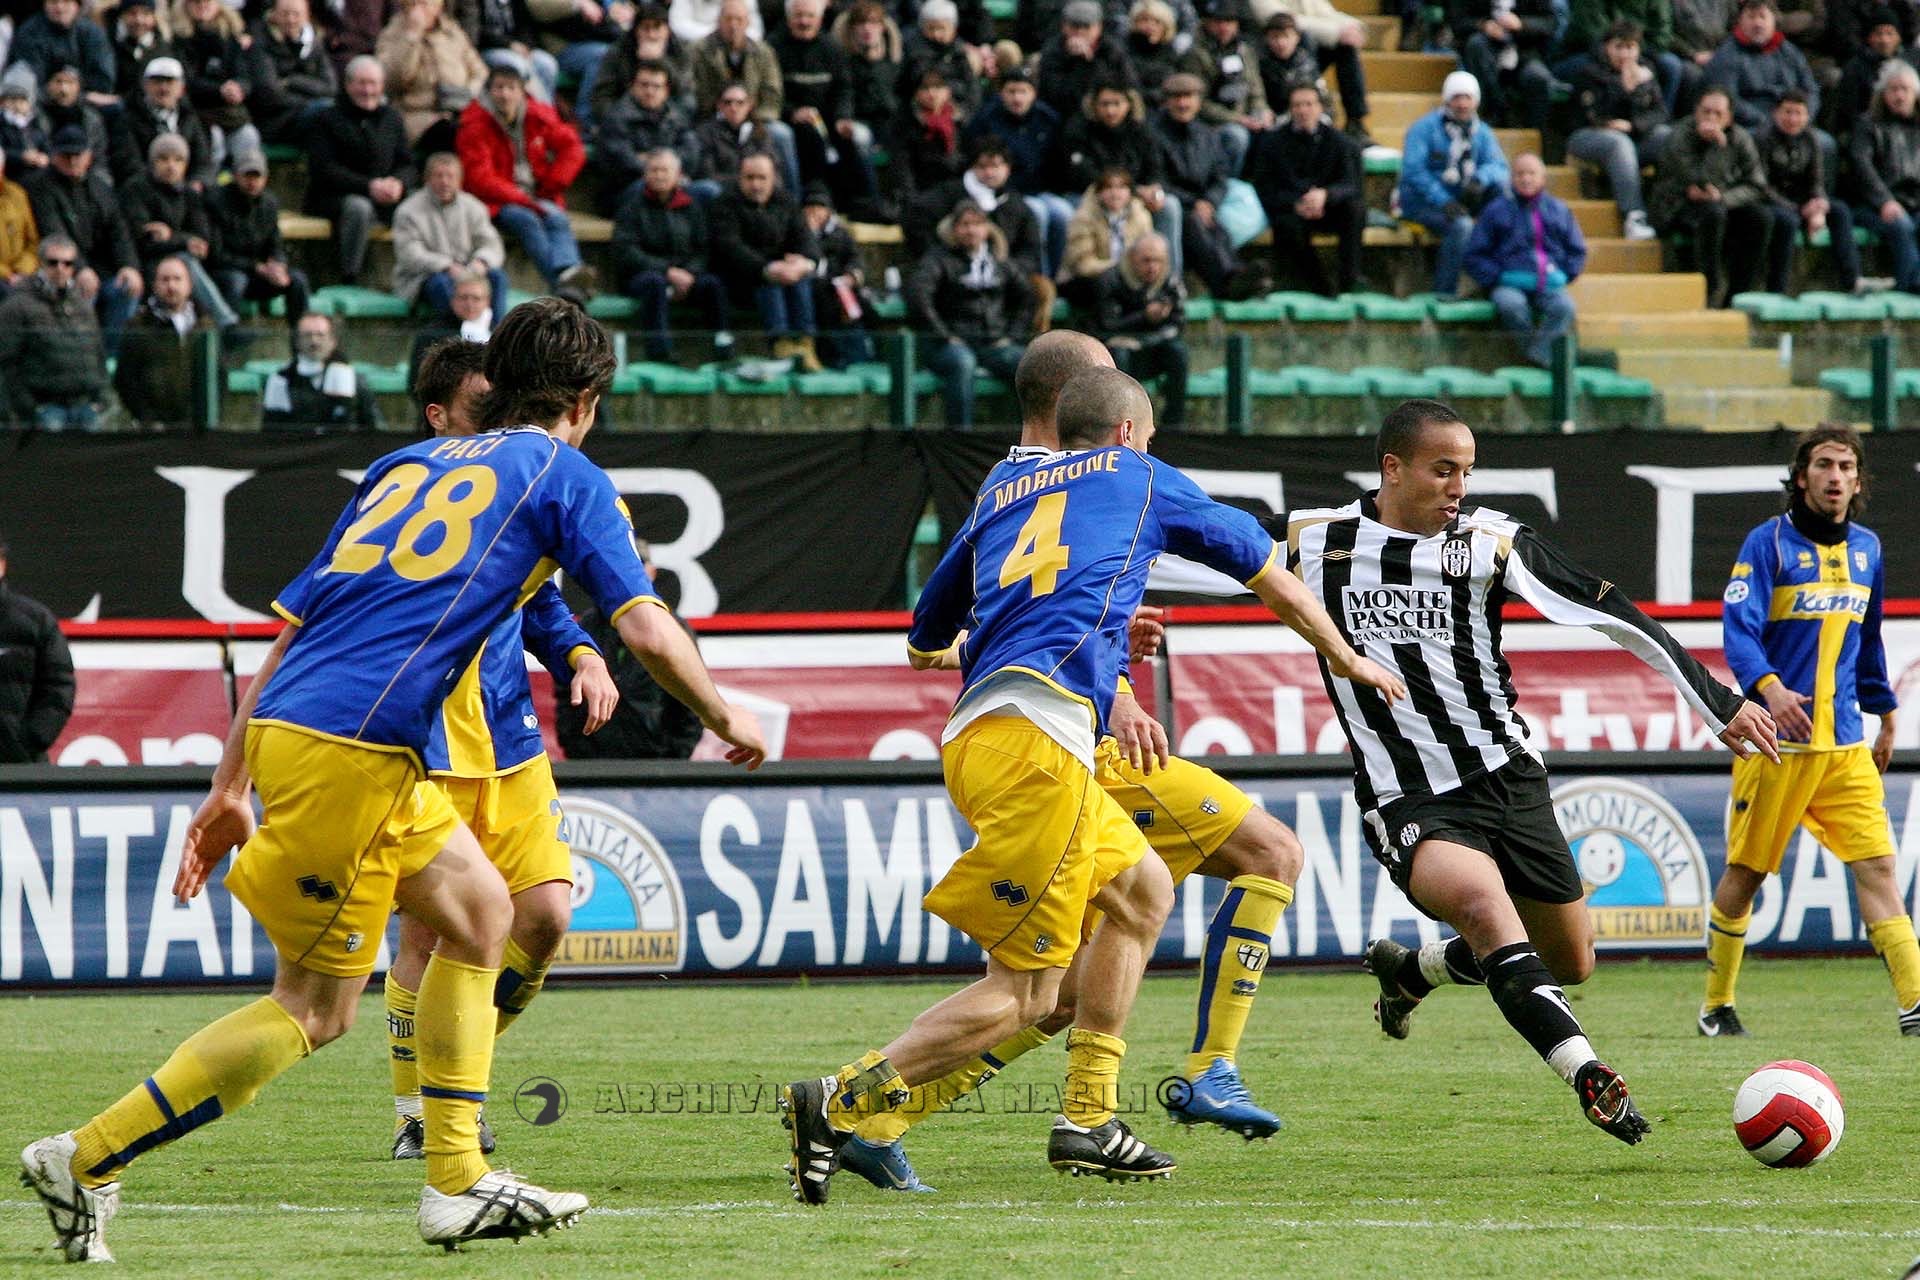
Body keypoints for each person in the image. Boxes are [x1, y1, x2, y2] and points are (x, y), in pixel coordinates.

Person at [20, 298, 764, 1262]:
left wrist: (230, 782)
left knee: (485, 914)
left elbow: (291, 635)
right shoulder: (563, 471)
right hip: (353, 750)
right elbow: (648, 628)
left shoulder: (404, 468)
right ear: (585, 401)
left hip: (318, 735)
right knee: (314, 1009)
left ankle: (455, 1178)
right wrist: (724, 716)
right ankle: (84, 1158)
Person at [781, 361, 1402, 1205]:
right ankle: (843, 1102)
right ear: (1126, 432)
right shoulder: (1137, 474)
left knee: (1143, 891)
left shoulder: (1001, 493)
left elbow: (927, 636)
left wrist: (1082, 639)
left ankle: (1089, 1116)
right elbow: (1270, 574)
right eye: (1146, 435)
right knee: (1027, 995)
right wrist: (1348, 656)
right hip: (1039, 744)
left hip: (996, 734)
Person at [1284, 400, 1776, 1145]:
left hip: (1507, 776)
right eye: (1443, 469)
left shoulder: (1491, 543)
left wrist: (1717, 701)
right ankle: (1589, 1074)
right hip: (1409, 794)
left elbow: (1612, 613)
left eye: (1466, 471)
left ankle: (1413, 972)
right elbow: (1185, 548)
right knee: (1485, 910)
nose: (1458, 486)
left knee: (1570, 959)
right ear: (1392, 468)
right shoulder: (1313, 541)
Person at [382, 333, 621, 1164]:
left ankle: (455, 1067)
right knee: (430, 940)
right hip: (424, 748)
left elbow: (539, 600)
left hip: (510, 742)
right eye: (479, 407)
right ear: (438, 414)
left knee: (547, 917)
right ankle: (423, 1112)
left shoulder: (516, 491)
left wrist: (583, 654)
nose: (497, 421)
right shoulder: (408, 491)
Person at [1703, 426, 1915, 1038]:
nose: (1835, 476)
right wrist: (1769, 689)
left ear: (1858, 479)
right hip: (1777, 744)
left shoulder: (1868, 549)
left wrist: (1886, 713)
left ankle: (1915, 1005)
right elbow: (1739, 630)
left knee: (1878, 868)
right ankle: (1716, 1006)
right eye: (1824, 465)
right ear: (1801, 477)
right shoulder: (1767, 543)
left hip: (1844, 746)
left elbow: (1867, 641)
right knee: (1746, 875)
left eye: (1846, 466)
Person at [456, 62, 595, 299]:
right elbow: (480, 179)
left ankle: (568, 271)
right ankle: (566, 286)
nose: (505, 94)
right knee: (526, 220)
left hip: (535, 195)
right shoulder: (474, 124)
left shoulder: (538, 116)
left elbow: (572, 147)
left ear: (522, 91)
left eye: (511, 88)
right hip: (495, 201)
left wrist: (552, 184)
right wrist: (521, 198)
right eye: (499, 88)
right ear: (489, 91)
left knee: (557, 217)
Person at [556, 538, 705, 759]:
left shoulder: (673, 629)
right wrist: (577, 748)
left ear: (651, 572)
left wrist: (673, 758)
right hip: (593, 765)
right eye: (619, 567)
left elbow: (692, 696)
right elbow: (566, 691)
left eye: (635, 567)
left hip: (656, 763)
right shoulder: (586, 627)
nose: (626, 576)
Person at [1650, 86, 1774, 306]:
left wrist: (1724, 197)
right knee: (1712, 214)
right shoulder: (1680, 135)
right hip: (1678, 204)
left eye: (1718, 114)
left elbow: (1757, 184)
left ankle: (1737, 293)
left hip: (1720, 201)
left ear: (1729, 117)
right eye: (1706, 111)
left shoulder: (1740, 137)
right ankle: (1709, 287)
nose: (1711, 118)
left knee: (1761, 218)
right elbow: (1697, 180)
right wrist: (1717, 147)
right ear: (1696, 111)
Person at [909, 198, 1029, 427]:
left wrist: (1012, 335)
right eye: (964, 224)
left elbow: (1027, 297)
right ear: (954, 229)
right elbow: (918, 297)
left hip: (993, 342)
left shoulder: (999, 260)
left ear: (987, 229)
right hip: (949, 343)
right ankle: (961, 435)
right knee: (963, 362)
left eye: (977, 224)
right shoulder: (938, 259)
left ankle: (1027, 436)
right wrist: (944, 335)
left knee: (1028, 363)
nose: (971, 230)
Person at [22, 126, 143, 348]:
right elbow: (54, 232)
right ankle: (79, 353)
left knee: (127, 288)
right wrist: (79, 268)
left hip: (101, 268)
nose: (72, 161)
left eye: (77, 155)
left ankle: (111, 357)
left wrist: (129, 266)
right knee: (81, 291)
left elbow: (119, 233)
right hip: (61, 267)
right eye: (66, 155)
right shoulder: (40, 187)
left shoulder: (100, 188)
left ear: (88, 156)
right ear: (54, 156)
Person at [1464, 152, 1585, 367]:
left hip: (1548, 283)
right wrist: (1498, 276)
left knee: (1564, 307)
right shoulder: (1495, 210)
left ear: (1543, 178)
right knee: (1511, 305)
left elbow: (1576, 251)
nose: (1526, 179)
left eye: (1531, 173)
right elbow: (1474, 255)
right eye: (1520, 174)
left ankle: (1535, 356)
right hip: (1508, 283)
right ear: (1511, 178)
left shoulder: (1559, 210)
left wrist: (1565, 275)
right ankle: (1536, 357)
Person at [1396, 71, 1508, 299]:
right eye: (1456, 97)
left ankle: (1498, 280)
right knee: (1462, 226)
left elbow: (1499, 166)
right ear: (1447, 99)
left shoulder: (1482, 132)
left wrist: (1479, 179)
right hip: (1424, 203)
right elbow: (1413, 171)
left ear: (1476, 101)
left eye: (1468, 97)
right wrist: (1443, 200)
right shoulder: (1424, 128)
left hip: (1462, 198)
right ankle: (1444, 293)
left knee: (1502, 198)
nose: (1462, 104)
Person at [305, 56, 416, 286]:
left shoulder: (392, 118)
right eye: (361, 83)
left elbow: (407, 164)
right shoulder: (326, 119)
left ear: (382, 86)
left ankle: (415, 276)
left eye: (373, 83)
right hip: (334, 197)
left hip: (385, 197)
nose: (367, 90)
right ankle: (350, 277)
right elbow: (323, 169)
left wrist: (398, 183)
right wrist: (368, 186)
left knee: (419, 204)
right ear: (348, 85)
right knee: (359, 207)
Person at [1152, 70, 1263, 298]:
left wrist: (1209, 201)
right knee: (1195, 224)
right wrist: (1194, 203)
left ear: (1198, 101)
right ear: (1167, 101)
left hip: (1203, 203)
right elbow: (1156, 178)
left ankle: (1237, 273)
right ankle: (1225, 283)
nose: (1183, 104)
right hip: (1174, 206)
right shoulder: (1154, 134)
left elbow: (1220, 176)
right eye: (1177, 97)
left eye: (1188, 97)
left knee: (1217, 230)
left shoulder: (1207, 134)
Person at [1245, 80, 1363, 295]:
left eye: (1309, 104)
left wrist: (1326, 195)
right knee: (1286, 225)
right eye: (1297, 105)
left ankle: (1350, 279)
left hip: (1328, 207)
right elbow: (1265, 188)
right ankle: (1319, 284)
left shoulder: (1339, 142)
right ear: (1290, 109)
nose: (1303, 110)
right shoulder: (1273, 143)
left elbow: (1351, 184)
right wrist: (1296, 203)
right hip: (1292, 209)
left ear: (1320, 107)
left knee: (1354, 210)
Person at [616, 147, 731, 361]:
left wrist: (689, 274)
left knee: (713, 285)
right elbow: (627, 251)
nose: (659, 175)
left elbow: (702, 248)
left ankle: (722, 345)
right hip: (644, 275)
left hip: (687, 275)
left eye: (665, 170)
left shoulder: (692, 206)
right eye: (654, 170)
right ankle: (660, 350)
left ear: (678, 175)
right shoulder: (632, 207)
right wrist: (668, 272)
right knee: (654, 283)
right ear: (645, 174)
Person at [1057, 80, 1182, 276]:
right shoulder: (1078, 130)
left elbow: (1156, 168)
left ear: (1129, 104)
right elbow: (1081, 174)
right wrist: (1130, 190)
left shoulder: (1141, 131)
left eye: (1116, 103)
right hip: (1089, 196)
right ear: (1094, 105)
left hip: (1134, 197)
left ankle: (1170, 278)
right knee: (1065, 212)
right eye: (1105, 104)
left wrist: (1154, 190)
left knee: (1169, 206)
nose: (1110, 110)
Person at [118, 130, 239, 331]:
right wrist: (183, 241)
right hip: (146, 263)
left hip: (183, 263)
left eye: (178, 160)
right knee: (185, 262)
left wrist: (171, 237)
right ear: (153, 161)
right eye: (163, 159)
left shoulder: (190, 194)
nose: (171, 165)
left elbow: (202, 239)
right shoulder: (136, 190)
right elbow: (142, 239)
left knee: (190, 265)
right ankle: (226, 322)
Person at [709, 149, 820, 368]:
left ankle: (805, 343)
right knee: (770, 281)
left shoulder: (787, 201)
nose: (756, 184)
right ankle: (780, 343)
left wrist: (804, 263)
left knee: (801, 278)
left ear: (773, 178)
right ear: (740, 177)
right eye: (750, 178)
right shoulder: (724, 204)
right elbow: (730, 248)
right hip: (741, 278)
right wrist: (766, 268)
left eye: (762, 178)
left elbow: (806, 240)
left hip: (784, 274)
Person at [1705, 0, 1834, 178]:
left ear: (1773, 20)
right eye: (1751, 17)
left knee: (1826, 144)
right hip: (1753, 123)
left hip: (1793, 120)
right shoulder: (1728, 55)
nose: (1757, 23)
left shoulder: (1789, 52)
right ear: (1740, 21)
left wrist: (1803, 116)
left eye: (1762, 16)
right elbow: (1728, 99)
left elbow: (1810, 89)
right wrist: (1769, 121)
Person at [768, 0, 874, 214]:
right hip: (790, 118)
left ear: (820, 19)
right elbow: (769, 92)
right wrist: (792, 112)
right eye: (799, 16)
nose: (804, 21)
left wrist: (843, 117)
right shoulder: (773, 47)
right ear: (788, 18)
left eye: (810, 16)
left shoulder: (832, 48)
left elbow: (844, 89)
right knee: (803, 135)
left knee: (856, 136)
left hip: (828, 117)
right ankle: (807, 199)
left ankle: (864, 201)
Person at [1567, 20, 1667, 240]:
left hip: (1632, 136)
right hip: (1587, 136)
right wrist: (1624, 89)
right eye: (1619, 47)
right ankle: (1634, 216)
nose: (1625, 54)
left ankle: (1667, 212)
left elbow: (1660, 113)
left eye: (1630, 47)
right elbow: (1593, 116)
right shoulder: (1589, 71)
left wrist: (1634, 124)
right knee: (1619, 142)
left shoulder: (1646, 72)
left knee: (1667, 137)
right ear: (1607, 47)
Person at [964, 67, 1066, 273]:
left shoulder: (1047, 118)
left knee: (1063, 212)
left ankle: (1058, 274)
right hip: (1008, 193)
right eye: (1011, 91)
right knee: (1038, 214)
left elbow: (1057, 158)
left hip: (1041, 189)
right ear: (1001, 93)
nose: (1017, 98)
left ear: (1033, 93)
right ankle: (1040, 277)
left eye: (1023, 91)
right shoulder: (987, 119)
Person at [0, 233, 106, 429]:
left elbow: (98, 353)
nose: (60, 268)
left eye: (67, 263)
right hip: (45, 407)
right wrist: (29, 407)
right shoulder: (17, 305)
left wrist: (99, 400)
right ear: (41, 263)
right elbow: (6, 362)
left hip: (85, 406)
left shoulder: (83, 305)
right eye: (53, 262)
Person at [391, 150, 508, 321]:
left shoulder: (474, 207)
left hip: (469, 271)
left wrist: (481, 261)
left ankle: (496, 333)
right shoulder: (408, 210)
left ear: (459, 180)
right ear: (427, 179)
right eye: (438, 176)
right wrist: (446, 266)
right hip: (424, 276)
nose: (444, 181)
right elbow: (410, 254)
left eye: (450, 176)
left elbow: (492, 244)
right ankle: (458, 334)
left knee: (497, 277)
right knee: (441, 284)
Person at [1761, 90, 1853, 292]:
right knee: (1788, 222)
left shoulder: (1811, 138)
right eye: (1788, 112)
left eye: (1798, 113)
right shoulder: (1763, 139)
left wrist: (1819, 204)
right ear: (1776, 113)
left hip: (1802, 201)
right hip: (1773, 202)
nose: (1793, 119)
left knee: (1840, 211)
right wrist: (1800, 210)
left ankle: (1851, 281)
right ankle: (1777, 289)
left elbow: (1817, 180)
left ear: (1807, 116)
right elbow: (1762, 186)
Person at [1093, 234, 1187, 424]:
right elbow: (1107, 324)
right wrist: (1144, 316)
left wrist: (1154, 330)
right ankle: (1122, 419)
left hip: (1153, 349)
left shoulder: (1170, 283)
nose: (1152, 267)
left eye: (1158, 261)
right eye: (1146, 260)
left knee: (1178, 352)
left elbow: (1178, 324)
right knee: (1120, 353)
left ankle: (1174, 421)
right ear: (1132, 258)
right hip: (1119, 351)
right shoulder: (1111, 280)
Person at [0, 533, 74, 764]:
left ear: (2, 565)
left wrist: (28, 742)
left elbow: (58, 686)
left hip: (20, 766)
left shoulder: (35, 620)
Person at [1849, 60, 1920, 295]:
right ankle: (1910, 287)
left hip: (1913, 201)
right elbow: (1862, 166)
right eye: (1893, 89)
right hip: (1872, 205)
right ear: (1883, 94)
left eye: (1905, 89)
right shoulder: (1867, 125)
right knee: (1901, 226)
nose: (1899, 96)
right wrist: (1884, 201)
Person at [112, 252, 204, 429]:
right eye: (165, 279)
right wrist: (146, 418)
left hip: (195, 426)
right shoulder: (138, 326)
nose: (171, 286)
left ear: (189, 285)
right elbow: (125, 379)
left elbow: (217, 375)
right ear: (154, 285)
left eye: (177, 279)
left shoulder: (206, 324)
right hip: (152, 427)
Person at [376, 0, 488, 143]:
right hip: (417, 115)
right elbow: (392, 79)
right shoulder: (392, 34)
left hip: (458, 108)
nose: (417, 11)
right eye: (412, 4)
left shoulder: (452, 31)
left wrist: (468, 93)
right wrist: (412, 37)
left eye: (424, 4)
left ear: (438, 7)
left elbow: (479, 71)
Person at [1256, 0, 1370, 141]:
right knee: (1307, 36)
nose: (1281, 42)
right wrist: (1337, 32)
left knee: (1347, 48)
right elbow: (1278, 17)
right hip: (1267, 58)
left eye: (1285, 38)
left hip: (1303, 52)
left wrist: (1354, 27)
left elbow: (1327, 14)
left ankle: (1355, 122)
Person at [1178, 0, 1269, 176]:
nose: (1223, 27)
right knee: (1237, 137)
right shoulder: (1195, 54)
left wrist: (1261, 110)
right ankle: (1227, 181)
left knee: (1271, 134)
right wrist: (1236, 119)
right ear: (1207, 23)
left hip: (1245, 114)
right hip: (1211, 121)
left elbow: (1255, 88)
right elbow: (1198, 102)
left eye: (1229, 22)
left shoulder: (1244, 51)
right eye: (1218, 22)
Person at [595, 58, 698, 212]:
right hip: (626, 190)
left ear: (666, 90)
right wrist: (662, 171)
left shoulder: (677, 117)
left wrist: (659, 163)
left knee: (708, 190)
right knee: (654, 187)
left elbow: (692, 153)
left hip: (673, 183)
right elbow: (623, 161)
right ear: (632, 87)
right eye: (644, 85)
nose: (650, 91)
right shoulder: (616, 117)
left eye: (656, 86)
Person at [171, 0, 262, 166]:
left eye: (208, 1)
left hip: (230, 113)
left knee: (248, 135)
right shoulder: (178, 39)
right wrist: (219, 90)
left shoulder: (231, 36)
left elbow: (245, 75)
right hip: (196, 113)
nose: (202, 5)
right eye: (196, 2)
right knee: (215, 139)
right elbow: (185, 80)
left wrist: (239, 88)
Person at [261, 311, 383, 432]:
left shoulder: (353, 379)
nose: (314, 341)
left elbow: (374, 427)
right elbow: (271, 431)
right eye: (307, 335)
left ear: (333, 341)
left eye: (320, 335)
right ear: (297, 341)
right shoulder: (280, 380)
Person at [110, 55, 215, 188]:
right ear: (145, 86)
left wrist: (196, 183)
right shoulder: (128, 118)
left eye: (170, 82)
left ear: (181, 88)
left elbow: (203, 161)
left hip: (184, 191)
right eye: (157, 82)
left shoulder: (190, 118)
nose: (163, 88)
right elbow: (128, 163)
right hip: (143, 191)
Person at [798, 181, 872, 365]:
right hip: (816, 287)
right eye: (810, 207)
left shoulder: (841, 233)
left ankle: (859, 353)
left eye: (820, 207)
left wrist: (852, 275)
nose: (815, 212)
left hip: (841, 287)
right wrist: (809, 234)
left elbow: (855, 258)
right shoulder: (798, 233)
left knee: (854, 303)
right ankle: (832, 355)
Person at [1451, 0, 1556, 129]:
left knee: (1538, 77)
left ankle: (1535, 136)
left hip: (1524, 53)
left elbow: (1549, 23)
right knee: (1477, 45)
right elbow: (1458, 22)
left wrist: (1522, 24)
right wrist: (1483, 25)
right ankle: (1489, 121)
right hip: (1484, 51)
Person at [1060, 165, 1152, 306]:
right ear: (1098, 193)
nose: (1115, 193)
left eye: (1121, 188)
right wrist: (1119, 269)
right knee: (1106, 281)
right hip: (1086, 280)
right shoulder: (1083, 218)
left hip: (1127, 278)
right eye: (1109, 188)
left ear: (1130, 192)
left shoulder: (1141, 217)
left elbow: (1148, 253)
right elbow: (1082, 264)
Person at [251, 0, 339, 144]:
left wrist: (292, 81)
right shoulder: (261, 44)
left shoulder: (314, 45)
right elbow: (269, 94)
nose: (291, 20)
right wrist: (309, 101)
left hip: (310, 112)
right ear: (274, 15)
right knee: (326, 112)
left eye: (296, 14)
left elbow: (330, 88)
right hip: (277, 122)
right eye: (285, 14)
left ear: (306, 16)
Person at [1035, 0, 1137, 121]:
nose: (1080, 32)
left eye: (1086, 27)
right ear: (1064, 26)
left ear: (1099, 27)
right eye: (1074, 26)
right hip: (1063, 116)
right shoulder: (1053, 51)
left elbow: (1128, 84)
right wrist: (1075, 61)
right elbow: (1052, 92)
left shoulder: (1111, 50)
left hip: (1104, 115)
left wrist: (1089, 62)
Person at [9, 0, 116, 107]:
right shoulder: (30, 32)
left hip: (86, 100)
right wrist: (57, 88)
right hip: (41, 102)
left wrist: (77, 89)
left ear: (77, 5)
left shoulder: (93, 33)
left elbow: (104, 79)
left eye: (66, 2)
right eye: (53, 2)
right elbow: (27, 76)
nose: (59, 7)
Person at [885, 65, 964, 207]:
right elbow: (902, 167)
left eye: (938, 87)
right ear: (916, 93)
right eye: (925, 88)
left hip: (956, 190)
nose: (932, 93)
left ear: (948, 91)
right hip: (922, 192)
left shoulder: (960, 120)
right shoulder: (904, 123)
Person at [689, 78, 778, 198]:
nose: (733, 108)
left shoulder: (760, 133)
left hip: (755, 189)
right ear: (719, 105)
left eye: (740, 103)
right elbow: (707, 173)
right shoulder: (705, 132)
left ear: (749, 105)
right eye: (728, 102)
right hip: (721, 192)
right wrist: (743, 182)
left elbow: (772, 168)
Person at [405, 269, 495, 381]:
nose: (469, 304)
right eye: (464, 297)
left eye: (476, 299)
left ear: (487, 301)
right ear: (453, 300)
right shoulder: (430, 335)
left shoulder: (497, 333)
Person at [897, 0, 979, 122]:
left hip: (959, 114)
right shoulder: (914, 54)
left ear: (953, 28)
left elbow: (972, 89)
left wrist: (963, 114)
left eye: (941, 28)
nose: (936, 34)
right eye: (931, 28)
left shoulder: (960, 53)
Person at [1832, 6, 1913, 127]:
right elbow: (1850, 110)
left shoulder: (1910, 65)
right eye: (1879, 34)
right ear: (1870, 37)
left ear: (1898, 37)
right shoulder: (1855, 67)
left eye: (1889, 33)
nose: (1884, 40)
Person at [838, 0, 902, 143]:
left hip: (891, 125)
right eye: (861, 23)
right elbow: (844, 96)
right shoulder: (843, 64)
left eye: (873, 23)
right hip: (859, 124)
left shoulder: (895, 62)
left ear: (882, 27)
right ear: (852, 28)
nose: (867, 29)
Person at [40, 64, 112, 167]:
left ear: (79, 86)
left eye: (70, 82)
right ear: (48, 85)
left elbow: (99, 155)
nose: (64, 89)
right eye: (58, 81)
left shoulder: (90, 118)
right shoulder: (37, 116)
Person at [108, 0, 175, 101]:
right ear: (122, 16)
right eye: (132, 13)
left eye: (145, 13)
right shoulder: (110, 46)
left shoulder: (166, 50)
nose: (139, 20)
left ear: (154, 17)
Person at [1123, 0, 1181, 106]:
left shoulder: (1171, 52)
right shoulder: (1123, 51)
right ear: (1134, 23)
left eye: (1157, 22)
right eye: (1144, 20)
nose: (1150, 26)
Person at [0, 150, 39, 298]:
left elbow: (33, 241)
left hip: (22, 272)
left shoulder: (17, 194)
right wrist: (7, 274)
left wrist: (23, 269)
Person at [0, 70, 52, 178]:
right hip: (12, 174)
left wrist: (44, 157)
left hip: (38, 173)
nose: (17, 105)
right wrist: (22, 156)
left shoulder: (35, 123)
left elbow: (46, 145)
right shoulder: (3, 124)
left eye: (22, 101)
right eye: (12, 100)